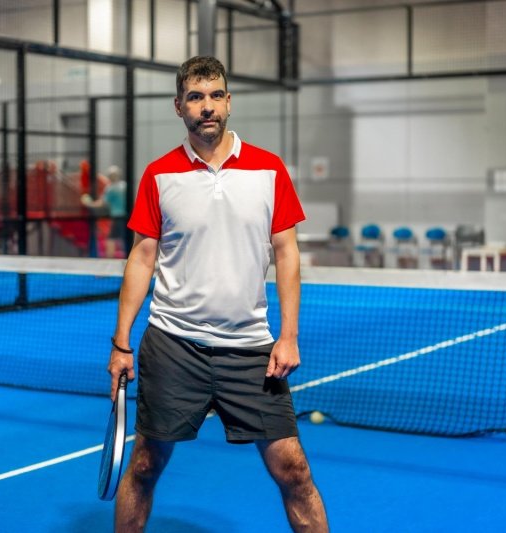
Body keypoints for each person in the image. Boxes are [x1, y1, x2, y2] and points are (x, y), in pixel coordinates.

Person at [107, 56, 329, 532]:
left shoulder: (269, 170)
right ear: (179, 107)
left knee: (294, 471)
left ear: (228, 101)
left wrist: (288, 336)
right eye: (195, 97)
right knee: (144, 465)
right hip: (173, 346)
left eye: (214, 96)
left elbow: (286, 253)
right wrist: (121, 343)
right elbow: (142, 259)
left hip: (251, 350)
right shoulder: (158, 175)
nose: (206, 107)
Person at [82, 164, 126, 258]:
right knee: (125, 238)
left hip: (117, 216)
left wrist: (89, 204)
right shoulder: (124, 186)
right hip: (127, 216)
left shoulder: (110, 188)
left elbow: (102, 203)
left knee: (111, 239)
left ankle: (109, 261)